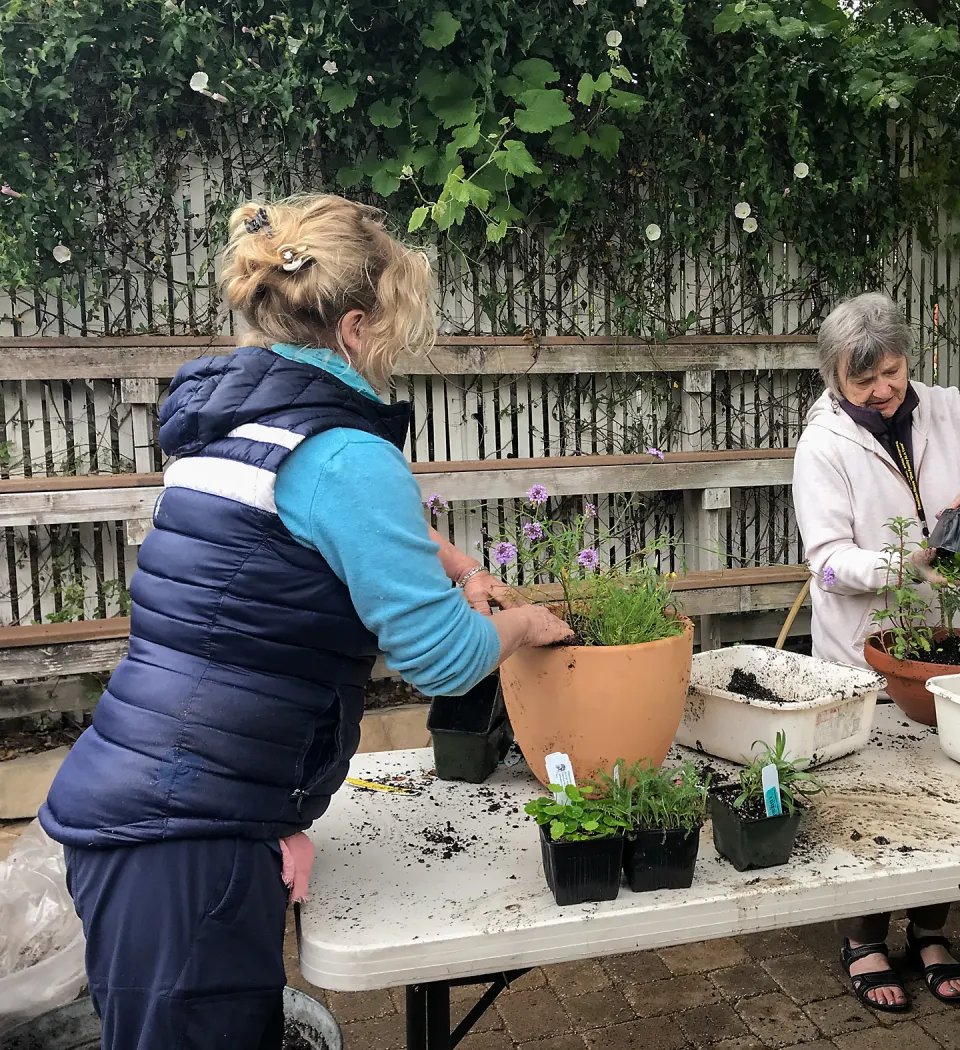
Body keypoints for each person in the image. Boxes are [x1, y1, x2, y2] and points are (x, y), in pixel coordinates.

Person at [39, 194, 573, 1050]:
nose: (397, 351)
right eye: (394, 328)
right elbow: (440, 657)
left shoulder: (231, 421)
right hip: (188, 840)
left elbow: (285, 546)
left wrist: (457, 566)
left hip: (157, 802)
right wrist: (524, 627)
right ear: (355, 328)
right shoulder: (348, 453)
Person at [792, 291, 960, 1012]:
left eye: (893, 371)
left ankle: (932, 931)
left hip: (959, 651)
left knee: (956, 795)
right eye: (864, 380)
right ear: (834, 379)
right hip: (868, 657)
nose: (883, 389)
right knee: (875, 802)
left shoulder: (950, 410)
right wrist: (902, 564)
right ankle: (863, 939)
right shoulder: (823, 446)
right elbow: (826, 563)